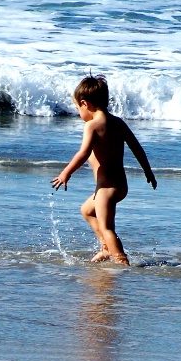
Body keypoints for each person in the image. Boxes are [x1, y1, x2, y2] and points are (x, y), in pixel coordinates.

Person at [51, 74, 157, 265]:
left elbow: (83, 153)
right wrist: (147, 171)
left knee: (107, 228)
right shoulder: (118, 123)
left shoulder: (92, 126)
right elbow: (137, 148)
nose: (79, 113)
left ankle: (121, 261)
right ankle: (106, 248)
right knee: (86, 210)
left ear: (85, 104)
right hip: (120, 186)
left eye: (77, 109)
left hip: (106, 190)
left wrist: (65, 173)